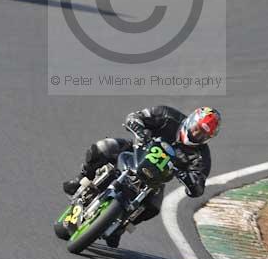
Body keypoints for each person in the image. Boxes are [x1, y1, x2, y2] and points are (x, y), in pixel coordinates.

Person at [63, 105, 221, 247]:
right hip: (135, 151)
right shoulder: (167, 115)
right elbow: (134, 116)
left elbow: (198, 187)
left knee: (154, 208)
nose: (196, 134)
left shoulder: (201, 156)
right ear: (192, 120)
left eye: (202, 135)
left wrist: (188, 179)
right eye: (197, 128)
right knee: (103, 147)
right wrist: (139, 130)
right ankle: (81, 178)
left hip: (156, 180)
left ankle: (120, 227)